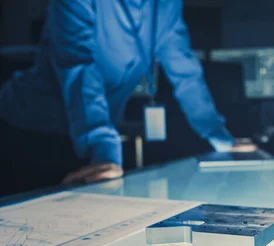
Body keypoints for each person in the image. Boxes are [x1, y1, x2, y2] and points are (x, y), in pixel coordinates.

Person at [0, 0, 237, 196]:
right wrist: (103, 148)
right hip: (33, 130)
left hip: (95, 135)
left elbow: (184, 68)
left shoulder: (166, 5)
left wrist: (220, 137)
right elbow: (80, 69)